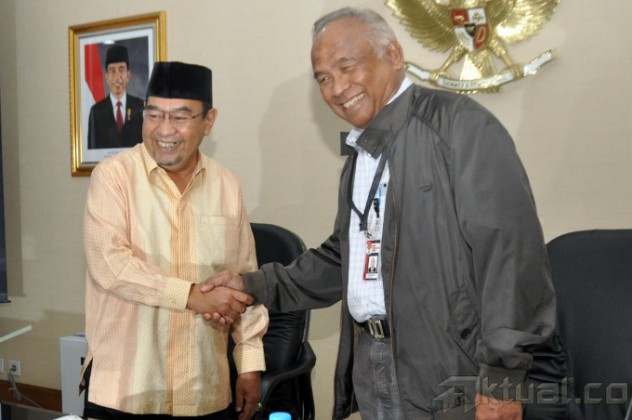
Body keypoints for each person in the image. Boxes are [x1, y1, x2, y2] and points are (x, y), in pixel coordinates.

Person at [204, 7, 556, 420]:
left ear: (393, 55)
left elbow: (511, 257)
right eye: (323, 78)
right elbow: (345, 258)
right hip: (374, 364)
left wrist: (502, 378)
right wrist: (252, 285)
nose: (337, 88)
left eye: (346, 66)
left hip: (453, 372)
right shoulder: (363, 152)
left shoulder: (461, 127)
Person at [81, 61, 268, 420]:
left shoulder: (227, 186)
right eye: (154, 115)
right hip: (125, 393)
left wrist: (249, 364)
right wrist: (191, 295)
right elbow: (110, 265)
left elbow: (245, 280)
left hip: (205, 390)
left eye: (180, 117)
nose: (164, 130)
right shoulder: (113, 177)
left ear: (208, 121)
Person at [87, 45, 144, 149]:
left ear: (128, 75)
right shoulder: (96, 112)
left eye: (121, 70)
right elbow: (92, 151)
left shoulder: (140, 107)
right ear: (106, 77)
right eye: (112, 71)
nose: (117, 77)